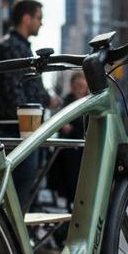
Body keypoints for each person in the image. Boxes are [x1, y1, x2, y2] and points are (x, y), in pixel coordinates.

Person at [0, 0, 55, 208]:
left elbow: (29, 88)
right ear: (26, 19)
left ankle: (11, 237)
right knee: (17, 194)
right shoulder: (11, 48)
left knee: (19, 193)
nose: (41, 23)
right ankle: (9, 238)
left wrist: (46, 99)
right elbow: (14, 92)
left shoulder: (20, 47)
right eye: (38, 18)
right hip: (16, 131)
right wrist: (35, 111)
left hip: (23, 130)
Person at [49, 71, 89, 206]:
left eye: (81, 85)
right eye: (76, 85)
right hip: (68, 149)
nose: (78, 88)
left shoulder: (90, 102)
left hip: (85, 149)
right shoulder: (67, 101)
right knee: (68, 178)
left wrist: (73, 128)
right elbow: (58, 120)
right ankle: (68, 206)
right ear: (72, 86)